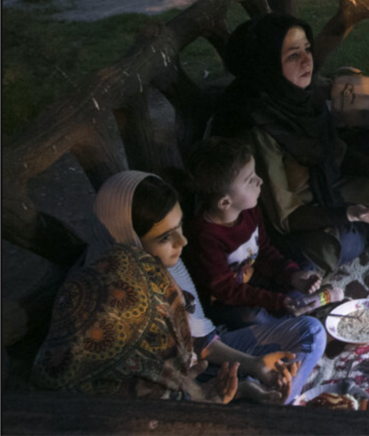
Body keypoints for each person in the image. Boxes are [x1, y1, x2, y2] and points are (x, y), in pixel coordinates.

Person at [211, 14, 369, 274]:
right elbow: (285, 217)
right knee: (346, 242)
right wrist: (347, 214)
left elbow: (333, 152)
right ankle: (362, 226)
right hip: (296, 221)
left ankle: (368, 219)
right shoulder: (256, 128)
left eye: (307, 49)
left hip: (324, 189)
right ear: (267, 64)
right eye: (293, 55)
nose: (307, 60)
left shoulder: (299, 99)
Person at [78, 171, 325, 404]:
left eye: (179, 227)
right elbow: (144, 401)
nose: (183, 241)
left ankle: (269, 397)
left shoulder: (164, 265)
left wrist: (255, 365)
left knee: (312, 330)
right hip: (164, 401)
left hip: (196, 370)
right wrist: (224, 391)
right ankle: (264, 404)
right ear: (128, 240)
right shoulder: (111, 305)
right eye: (166, 237)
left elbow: (201, 340)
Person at [32, 243, 238, 402]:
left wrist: (196, 397)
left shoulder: (64, 394)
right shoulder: (142, 415)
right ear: (153, 336)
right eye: (176, 311)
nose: (186, 319)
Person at [185, 137, 322, 329]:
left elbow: (264, 250)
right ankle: (285, 317)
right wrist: (277, 301)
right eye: (250, 181)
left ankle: (288, 312)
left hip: (255, 279)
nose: (260, 180)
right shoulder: (205, 237)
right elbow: (227, 291)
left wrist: (291, 275)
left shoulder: (248, 209)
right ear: (225, 202)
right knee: (252, 317)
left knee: (306, 268)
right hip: (228, 299)